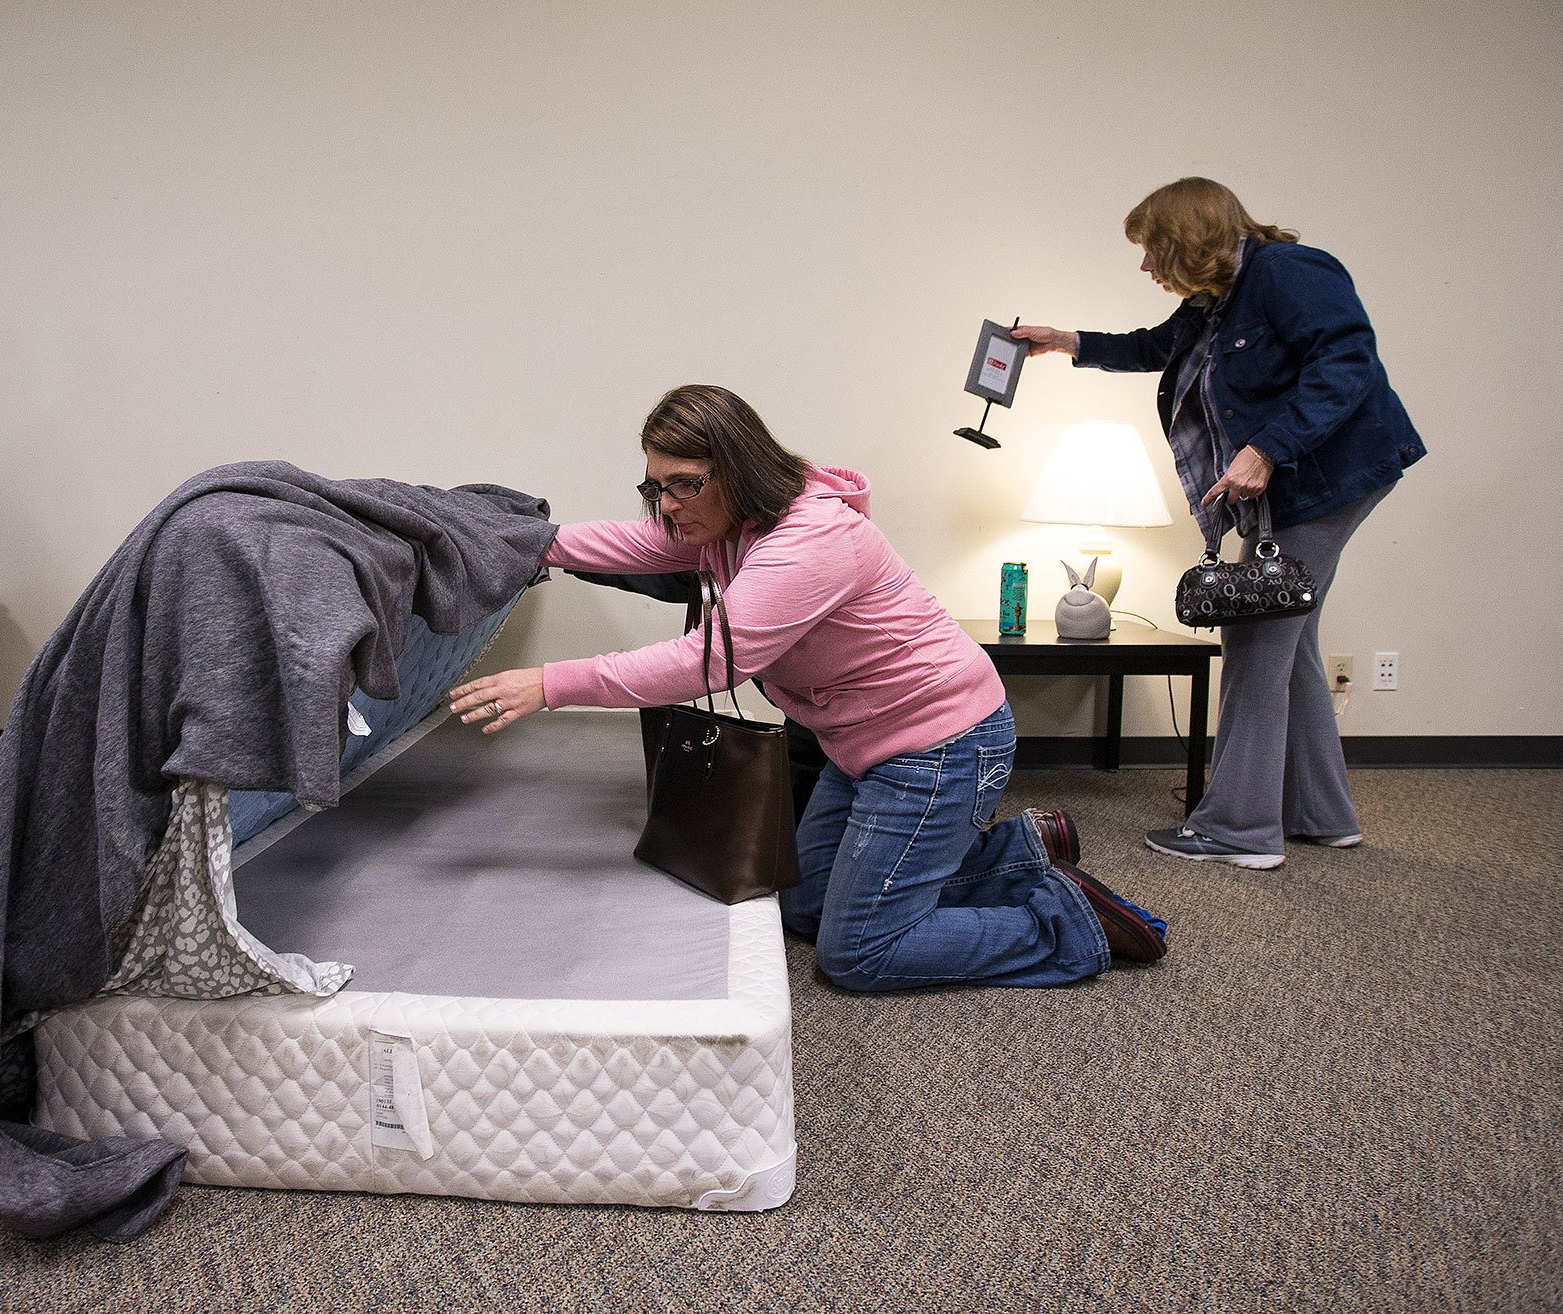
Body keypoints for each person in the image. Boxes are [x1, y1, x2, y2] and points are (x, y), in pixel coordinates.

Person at [450, 384, 1167, 990]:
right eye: (656, 487)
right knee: (802, 904)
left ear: (736, 469)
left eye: (684, 485)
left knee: (858, 951)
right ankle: (1022, 849)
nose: (666, 506)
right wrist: (518, 540)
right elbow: (623, 545)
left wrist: (551, 682)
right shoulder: (730, 524)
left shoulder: (809, 539)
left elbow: (707, 661)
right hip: (862, 745)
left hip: (940, 744)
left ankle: (1067, 924)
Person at [1013, 178, 1426, 869]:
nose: (1146, 267)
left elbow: (1347, 363)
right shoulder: (1213, 300)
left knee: (1257, 641)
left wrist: (1268, 449)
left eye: (1151, 251)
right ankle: (1322, 815)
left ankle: (1239, 829)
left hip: (1328, 478)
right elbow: (1154, 347)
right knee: (1288, 644)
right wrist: (1067, 341)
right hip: (1298, 480)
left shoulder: (1291, 273)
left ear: (1185, 238)